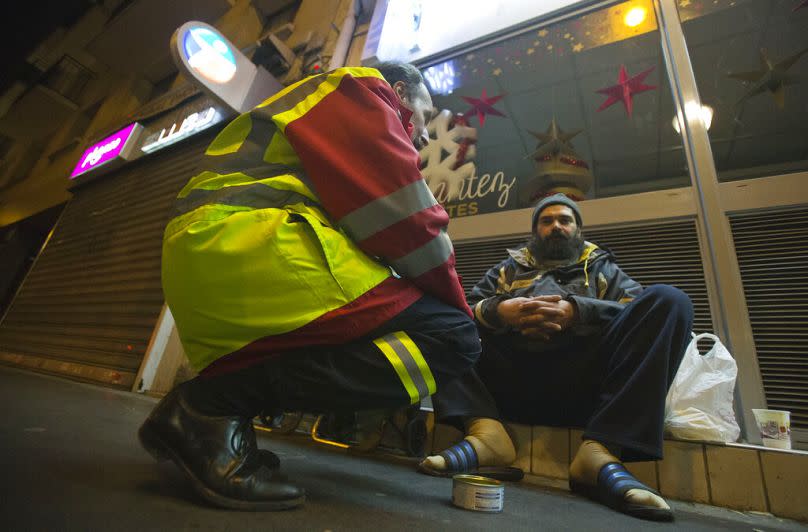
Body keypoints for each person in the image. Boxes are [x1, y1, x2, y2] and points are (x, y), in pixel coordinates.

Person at [139, 63, 482, 511]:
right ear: (398, 91)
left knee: (396, 321)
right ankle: (207, 406)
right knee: (453, 337)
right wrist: (464, 309)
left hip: (223, 251)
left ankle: (219, 421)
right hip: (253, 243)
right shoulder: (361, 88)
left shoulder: (315, 100)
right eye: (423, 115)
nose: (422, 136)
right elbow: (407, 220)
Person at [420, 193, 694, 521]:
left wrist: (578, 311)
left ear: (578, 229)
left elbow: (634, 309)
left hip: (585, 390)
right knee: (443, 316)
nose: (556, 227)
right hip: (506, 386)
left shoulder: (603, 267)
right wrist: (500, 310)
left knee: (670, 300)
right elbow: (467, 307)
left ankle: (602, 451)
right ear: (535, 231)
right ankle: (486, 433)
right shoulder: (507, 269)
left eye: (565, 220)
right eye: (546, 221)